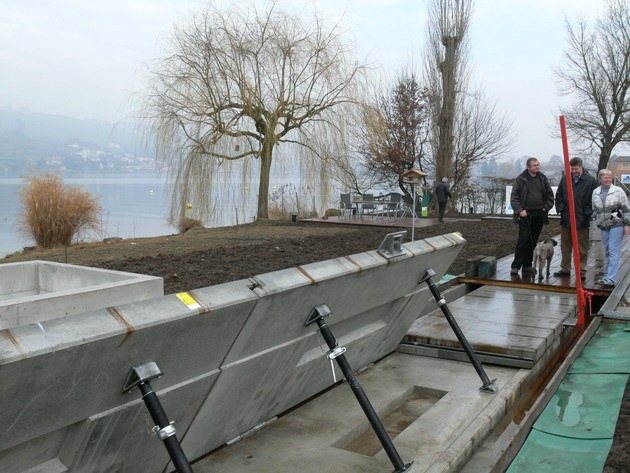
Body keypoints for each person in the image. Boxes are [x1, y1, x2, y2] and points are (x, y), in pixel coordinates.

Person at [553, 157, 597, 280]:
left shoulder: (590, 181)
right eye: (572, 169)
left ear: (581, 167)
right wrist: (561, 209)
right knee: (565, 244)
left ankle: (581, 270)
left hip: (581, 218)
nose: (574, 171)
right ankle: (565, 268)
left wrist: (587, 213)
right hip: (567, 218)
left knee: (581, 246)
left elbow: (593, 199)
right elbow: (559, 195)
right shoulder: (565, 179)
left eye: (576, 169)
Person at [509, 157, 555, 276]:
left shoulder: (542, 178)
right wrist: (520, 211)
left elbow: (550, 196)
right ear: (528, 167)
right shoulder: (521, 179)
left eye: (538, 165)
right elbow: (514, 198)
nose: (537, 167)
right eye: (535, 165)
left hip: (539, 213)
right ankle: (516, 266)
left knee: (533, 241)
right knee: (523, 240)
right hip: (526, 215)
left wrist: (546, 207)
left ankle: (527, 265)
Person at [591, 169, 630, 287]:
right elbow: (594, 209)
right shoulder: (596, 192)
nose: (608, 179)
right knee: (607, 250)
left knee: (613, 250)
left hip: (617, 223)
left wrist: (627, 224)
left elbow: (626, 208)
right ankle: (607, 275)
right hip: (604, 224)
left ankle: (611, 279)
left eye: (609, 177)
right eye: (605, 178)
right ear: (600, 179)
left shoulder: (618, 191)